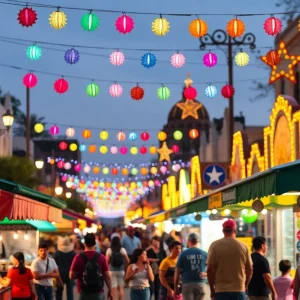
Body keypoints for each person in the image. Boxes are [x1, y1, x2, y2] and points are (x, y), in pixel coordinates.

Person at [207, 219, 253, 300]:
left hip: (221, 290)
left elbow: (210, 269)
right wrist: (245, 285)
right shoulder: (243, 246)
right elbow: (250, 269)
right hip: (239, 290)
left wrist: (212, 288)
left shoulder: (214, 245)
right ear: (235, 230)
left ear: (223, 231)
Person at [70, 233, 113, 300]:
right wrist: (110, 290)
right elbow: (107, 276)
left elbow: (71, 276)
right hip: (98, 291)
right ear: (95, 243)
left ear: (84, 244)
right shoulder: (101, 257)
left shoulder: (78, 257)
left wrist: (79, 275)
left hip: (83, 291)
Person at [174, 233, 206, 300]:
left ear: (188, 241)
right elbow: (213, 269)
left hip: (187, 284)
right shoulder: (204, 254)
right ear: (198, 241)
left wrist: (176, 287)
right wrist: (206, 274)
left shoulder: (183, 254)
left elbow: (177, 272)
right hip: (201, 284)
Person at [54, 236, 76, 300]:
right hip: (70, 273)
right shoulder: (73, 252)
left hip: (60, 274)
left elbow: (54, 264)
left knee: (59, 291)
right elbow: (75, 264)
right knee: (70, 291)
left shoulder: (57, 253)